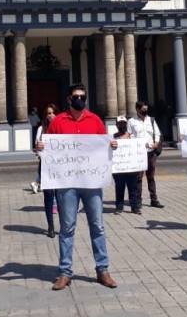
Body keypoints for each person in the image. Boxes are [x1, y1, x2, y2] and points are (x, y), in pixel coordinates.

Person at [37, 83, 118, 291]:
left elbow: (103, 148)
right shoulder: (58, 122)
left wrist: (112, 146)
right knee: (67, 228)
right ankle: (65, 272)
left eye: (82, 96)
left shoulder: (96, 121)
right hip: (67, 184)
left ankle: (103, 270)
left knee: (97, 226)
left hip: (92, 183)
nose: (79, 99)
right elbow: (48, 150)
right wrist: (41, 148)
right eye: (76, 96)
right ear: (68, 99)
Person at [127, 100, 164, 209]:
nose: (145, 111)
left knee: (151, 176)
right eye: (143, 109)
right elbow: (129, 135)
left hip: (150, 152)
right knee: (138, 177)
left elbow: (157, 133)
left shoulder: (150, 120)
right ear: (137, 110)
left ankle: (154, 199)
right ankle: (138, 199)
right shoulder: (131, 121)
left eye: (146, 109)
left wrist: (156, 142)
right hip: (139, 153)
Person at [33, 103, 60, 236]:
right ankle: (50, 226)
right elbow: (37, 146)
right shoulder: (41, 129)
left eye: (53, 112)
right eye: (48, 113)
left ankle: (64, 225)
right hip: (45, 165)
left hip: (61, 167)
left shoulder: (62, 127)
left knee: (61, 197)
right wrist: (39, 146)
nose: (51, 115)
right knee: (49, 196)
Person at [113, 115, 140, 215]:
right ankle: (119, 207)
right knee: (119, 188)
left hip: (131, 168)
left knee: (133, 188)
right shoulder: (113, 137)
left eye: (124, 124)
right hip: (119, 169)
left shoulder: (132, 137)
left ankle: (135, 207)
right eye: (120, 124)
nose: (122, 126)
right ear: (116, 125)